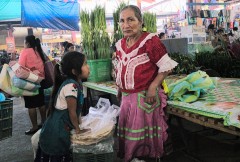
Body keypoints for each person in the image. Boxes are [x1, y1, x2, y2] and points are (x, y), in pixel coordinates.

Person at [115, 5, 178, 162]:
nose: (126, 25)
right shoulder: (120, 44)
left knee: (143, 140)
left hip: (145, 99)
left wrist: (153, 86)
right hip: (127, 99)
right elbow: (120, 66)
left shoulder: (151, 41)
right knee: (129, 137)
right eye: (122, 21)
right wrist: (119, 87)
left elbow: (166, 67)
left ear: (140, 21)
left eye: (131, 20)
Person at [34, 51, 90, 162]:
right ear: (74, 71)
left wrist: (79, 125)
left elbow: (77, 112)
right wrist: (78, 130)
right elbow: (72, 112)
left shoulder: (74, 83)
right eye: (84, 64)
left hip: (59, 128)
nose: (88, 67)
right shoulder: (71, 86)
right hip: (56, 132)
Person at [18, 35, 47, 135]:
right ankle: (44, 123)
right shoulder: (39, 51)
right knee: (41, 103)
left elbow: (20, 67)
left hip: (29, 81)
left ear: (27, 43)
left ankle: (34, 127)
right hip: (41, 80)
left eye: (24, 42)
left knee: (31, 105)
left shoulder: (25, 52)